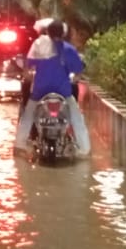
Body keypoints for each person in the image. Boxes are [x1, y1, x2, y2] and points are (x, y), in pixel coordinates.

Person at [16, 21, 90, 156]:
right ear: (63, 33)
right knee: (76, 118)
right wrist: (75, 78)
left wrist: (28, 76)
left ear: (48, 32)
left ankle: (19, 145)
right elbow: (78, 71)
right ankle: (84, 150)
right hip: (63, 92)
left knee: (28, 115)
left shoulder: (39, 46)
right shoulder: (69, 49)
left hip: (40, 91)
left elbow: (27, 66)